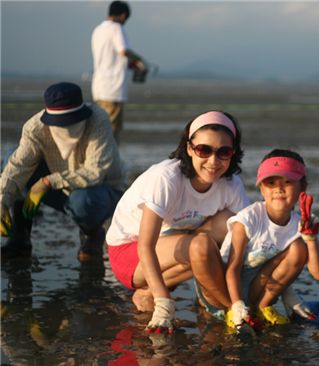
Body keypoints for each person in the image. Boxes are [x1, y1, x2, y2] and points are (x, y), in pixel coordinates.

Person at [106, 111, 249, 334]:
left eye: (224, 152)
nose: (213, 161)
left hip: (179, 242)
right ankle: (154, 292)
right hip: (131, 252)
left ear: (233, 153)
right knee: (201, 247)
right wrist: (163, 303)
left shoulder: (231, 184)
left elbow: (250, 239)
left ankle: (210, 299)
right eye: (204, 150)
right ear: (190, 148)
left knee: (233, 226)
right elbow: (145, 244)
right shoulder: (166, 178)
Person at [0, 82, 125, 262]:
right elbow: (18, 166)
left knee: (82, 201)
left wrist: (47, 182)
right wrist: (3, 200)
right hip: (60, 191)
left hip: (101, 192)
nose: (67, 127)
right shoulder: (35, 128)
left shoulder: (98, 120)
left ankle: (92, 233)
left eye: (72, 121)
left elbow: (96, 172)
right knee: (12, 157)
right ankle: (20, 236)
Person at [220, 149, 319, 329]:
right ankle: (241, 310)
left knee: (299, 247)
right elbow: (232, 268)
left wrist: (311, 239)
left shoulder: (301, 223)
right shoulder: (249, 218)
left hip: (259, 285)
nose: (279, 188)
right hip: (229, 287)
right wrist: (237, 304)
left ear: (303, 187)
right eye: (271, 182)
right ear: (261, 188)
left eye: (287, 181)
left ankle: (262, 307)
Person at [91, 1, 146, 143]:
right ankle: (109, 162)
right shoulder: (116, 28)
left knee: (99, 127)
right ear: (123, 15)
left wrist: (130, 65)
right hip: (113, 88)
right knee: (111, 130)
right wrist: (141, 61)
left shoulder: (98, 30)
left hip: (98, 87)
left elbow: (112, 57)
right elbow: (123, 51)